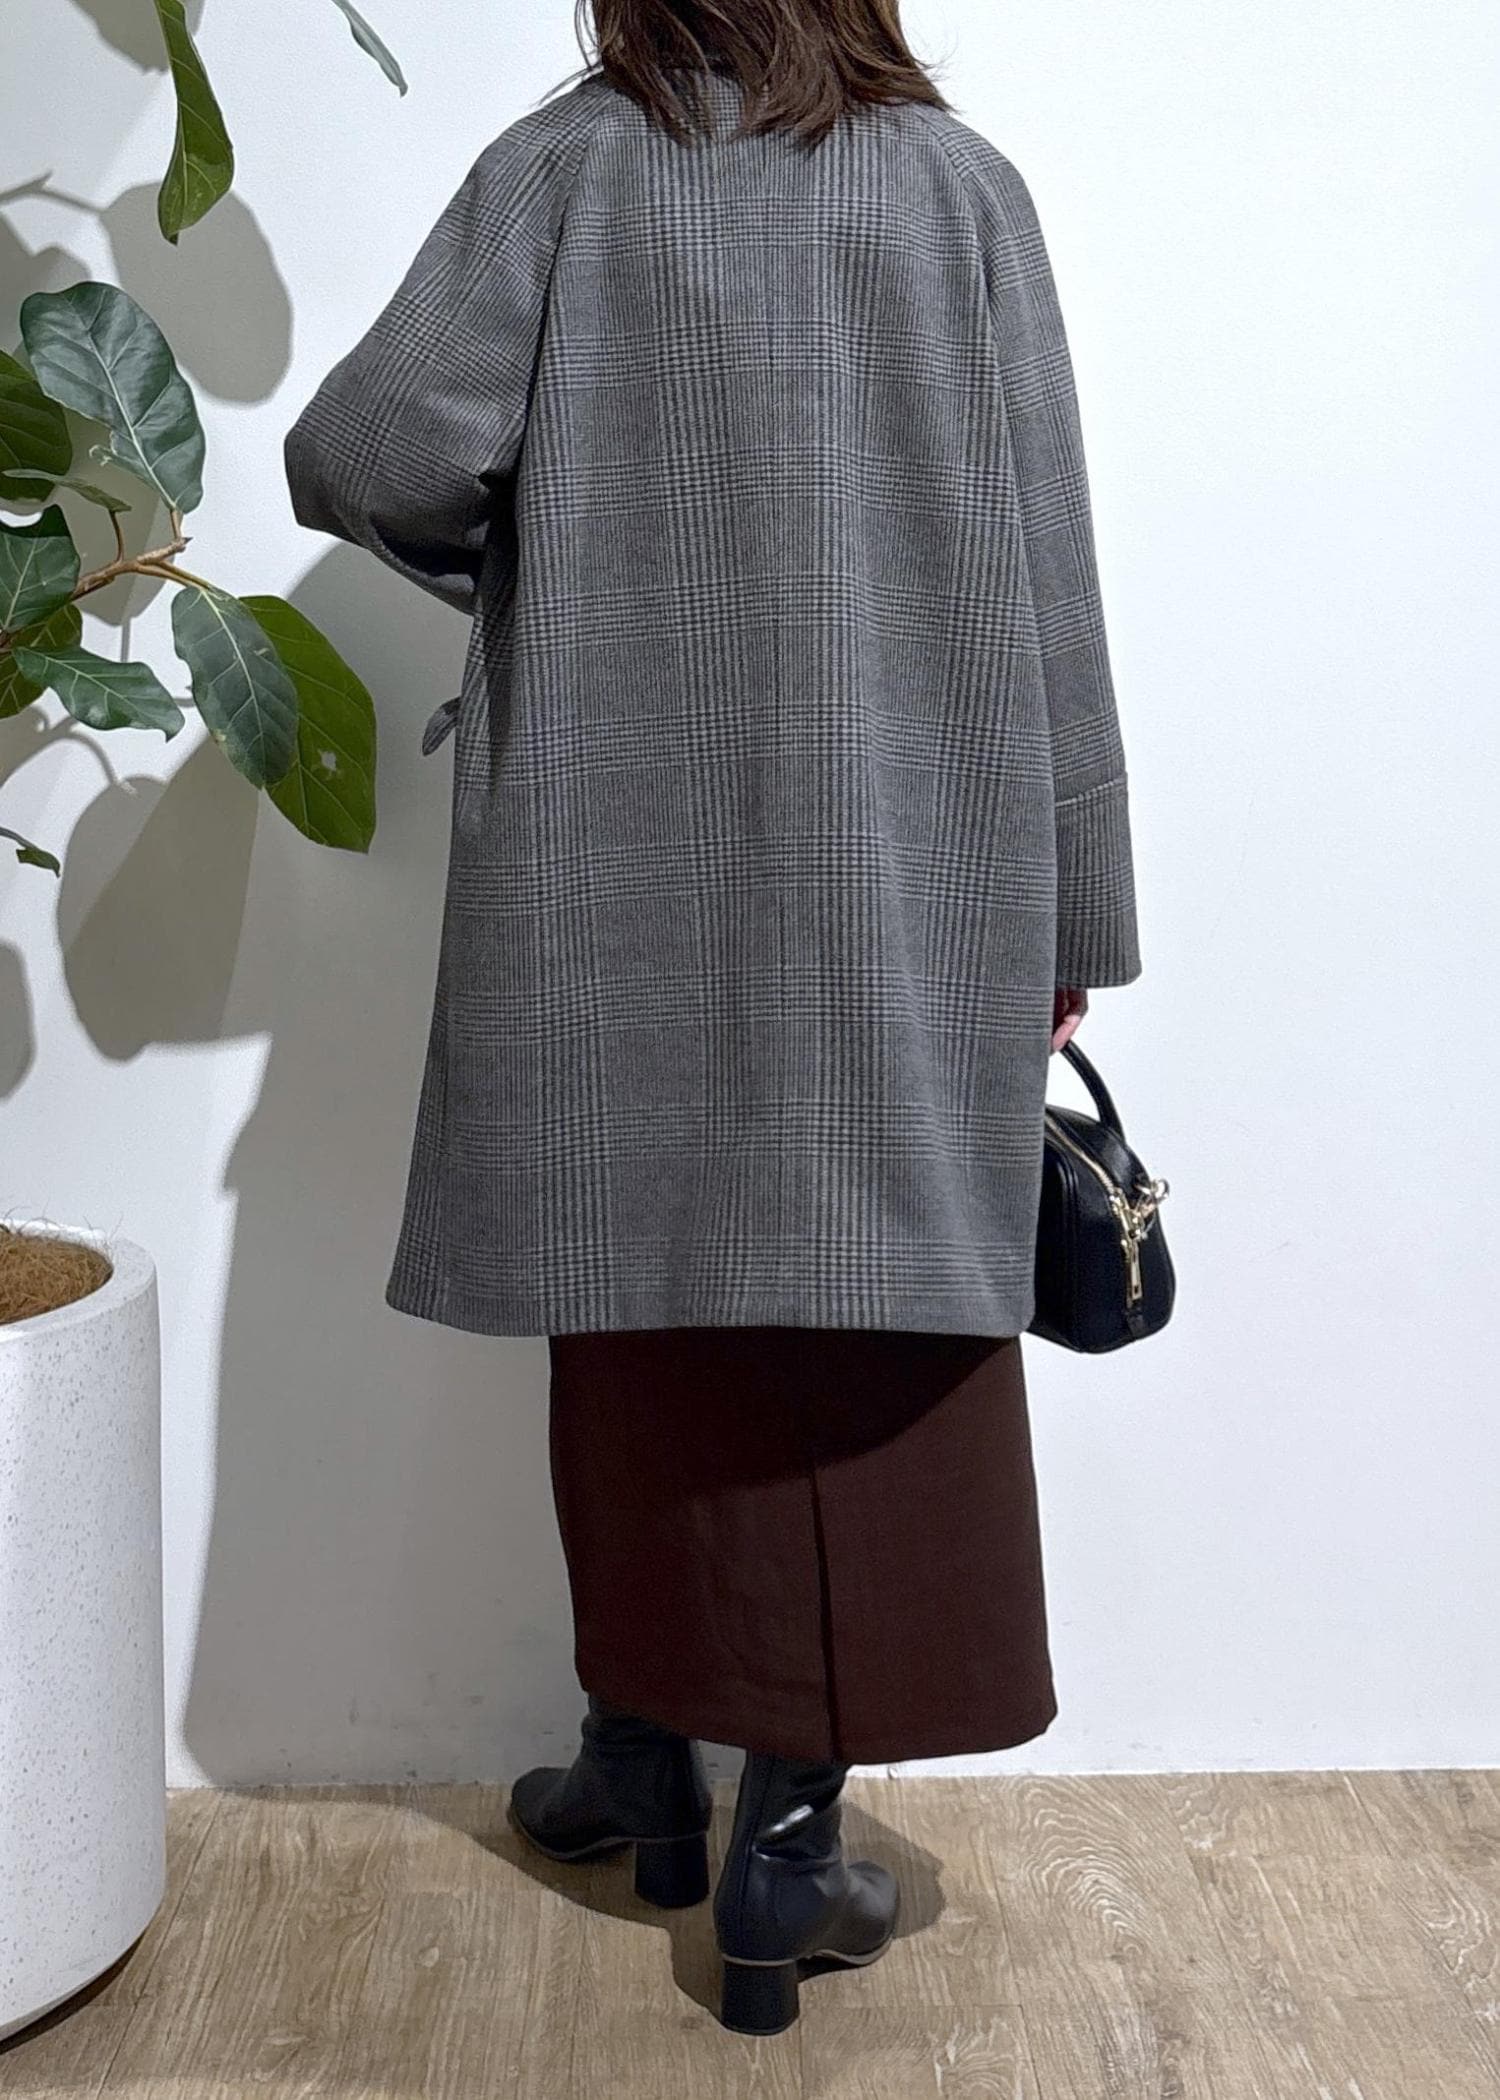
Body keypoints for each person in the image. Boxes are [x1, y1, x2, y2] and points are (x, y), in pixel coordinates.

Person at [283, 0, 1142, 2039]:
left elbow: (363, 453)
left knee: (633, 1301)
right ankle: (770, 1838)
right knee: (863, 1325)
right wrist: (1077, 910)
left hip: (613, 861)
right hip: (907, 869)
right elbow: (1049, 583)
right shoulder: (959, 197)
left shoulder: (565, 174)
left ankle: (645, 1764)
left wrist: (538, 577)